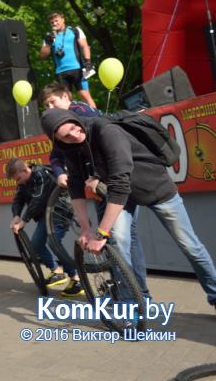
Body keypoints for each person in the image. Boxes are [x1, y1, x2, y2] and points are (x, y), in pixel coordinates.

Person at [41, 108, 216, 309]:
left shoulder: (106, 131)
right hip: (122, 196)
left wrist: (101, 233)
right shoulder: (69, 147)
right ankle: (134, 300)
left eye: (73, 128)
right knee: (119, 243)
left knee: (190, 246)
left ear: (76, 120)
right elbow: (75, 185)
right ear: (57, 140)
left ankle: (215, 293)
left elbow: (120, 182)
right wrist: (85, 228)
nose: (73, 135)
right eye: (65, 136)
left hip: (155, 189)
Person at [6, 158, 84, 297]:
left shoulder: (41, 174)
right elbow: (18, 199)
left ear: (25, 170)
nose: (18, 182)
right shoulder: (23, 182)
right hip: (45, 216)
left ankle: (76, 279)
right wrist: (16, 215)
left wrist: (24, 220)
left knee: (54, 243)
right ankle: (57, 271)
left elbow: (38, 199)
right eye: (16, 180)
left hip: (60, 211)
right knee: (36, 244)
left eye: (18, 178)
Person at [39, 11, 97, 109]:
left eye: (56, 21)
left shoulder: (75, 30)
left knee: (85, 96)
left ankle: (98, 118)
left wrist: (88, 62)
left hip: (77, 68)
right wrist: (48, 43)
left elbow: (85, 46)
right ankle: (73, 121)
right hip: (61, 73)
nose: (54, 23)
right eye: (52, 22)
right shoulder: (49, 37)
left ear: (63, 20)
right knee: (66, 101)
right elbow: (42, 56)